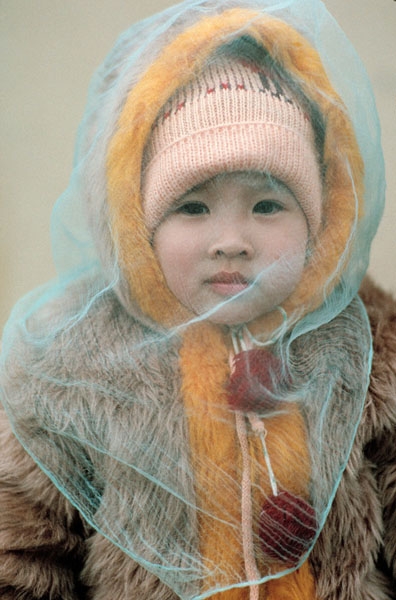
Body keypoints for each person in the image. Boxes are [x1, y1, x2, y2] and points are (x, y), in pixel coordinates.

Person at [0, 1, 395, 599]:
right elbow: (22, 553)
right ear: (139, 223)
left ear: (321, 222)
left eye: (267, 206)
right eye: (192, 207)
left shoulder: (369, 340)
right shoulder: (73, 364)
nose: (231, 242)